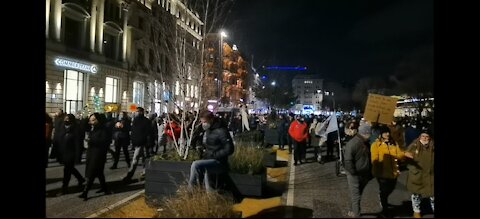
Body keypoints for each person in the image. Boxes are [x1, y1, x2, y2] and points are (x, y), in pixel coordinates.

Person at [371, 126, 413, 217]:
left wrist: (405, 154)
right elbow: (374, 159)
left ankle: (383, 198)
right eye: (385, 133)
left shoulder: (393, 143)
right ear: (381, 134)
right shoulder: (376, 145)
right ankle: (384, 209)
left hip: (393, 172)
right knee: (384, 191)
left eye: (388, 132)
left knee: (391, 188)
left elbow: (398, 154)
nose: (387, 134)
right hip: (382, 173)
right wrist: (378, 172)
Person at [188, 111, 234, 192]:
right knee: (205, 173)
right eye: (202, 122)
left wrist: (214, 154)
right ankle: (203, 194)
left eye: (205, 122)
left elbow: (229, 149)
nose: (203, 124)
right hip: (209, 160)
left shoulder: (221, 131)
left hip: (219, 162)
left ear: (211, 120)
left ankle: (191, 192)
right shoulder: (208, 130)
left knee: (196, 165)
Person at [79, 113, 111, 201]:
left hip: (98, 154)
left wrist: (91, 140)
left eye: (93, 119)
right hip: (91, 153)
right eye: (91, 119)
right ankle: (105, 188)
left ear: (98, 120)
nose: (91, 121)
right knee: (99, 173)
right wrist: (87, 117)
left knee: (92, 172)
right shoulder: (93, 128)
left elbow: (104, 141)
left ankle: (85, 192)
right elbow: (83, 125)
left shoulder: (104, 129)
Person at [344, 122, 373, 218]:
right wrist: (353, 172)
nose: (370, 135)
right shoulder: (353, 143)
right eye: (369, 133)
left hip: (363, 173)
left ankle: (352, 211)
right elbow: (348, 160)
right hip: (355, 174)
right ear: (365, 133)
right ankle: (356, 214)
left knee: (357, 194)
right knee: (356, 195)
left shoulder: (365, 143)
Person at [405, 131, 434, 218]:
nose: (424, 138)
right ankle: (416, 211)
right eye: (423, 136)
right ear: (420, 137)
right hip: (417, 174)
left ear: (429, 138)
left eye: (426, 136)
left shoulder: (433, 146)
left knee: (433, 195)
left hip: (430, 175)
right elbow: (406, 156)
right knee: (416, 195)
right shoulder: (414, 145)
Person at [57, 114, 85, 195]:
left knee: (67, 171)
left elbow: (78, 144)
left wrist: (77, 156)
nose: (66, 120)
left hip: (71, 153)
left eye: (68, 119)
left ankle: (64, 189)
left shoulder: (76, 129)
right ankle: (80, 179)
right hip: (63, 153)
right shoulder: (62, 128)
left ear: (71, 120)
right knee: (70, 168)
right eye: (65, 118)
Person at [123, 107, 151, 182]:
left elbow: (148, 132)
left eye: (138, 111)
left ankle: (129, 175)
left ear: (142, 112)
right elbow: (133, 130)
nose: (136, 113)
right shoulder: (135, 120)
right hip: (138, 142)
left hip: (141, 142)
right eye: (136, 111)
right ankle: (145, 172)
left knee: (135, 159)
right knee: (143, 158)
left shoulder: (145, 121)